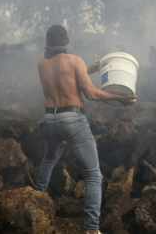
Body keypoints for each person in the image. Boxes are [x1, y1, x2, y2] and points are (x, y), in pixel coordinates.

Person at [33, 25, 136, 234]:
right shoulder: (74, 60)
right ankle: (91, 229)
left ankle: (34, 198)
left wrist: (93, 67)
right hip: (72, 119)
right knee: (93, 176)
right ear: (67, 41)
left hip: (49, 120)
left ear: (48, 42)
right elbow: (91, 93)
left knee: (49, 159)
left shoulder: (42, 64)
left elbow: (65, 75)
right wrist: (121, 98)